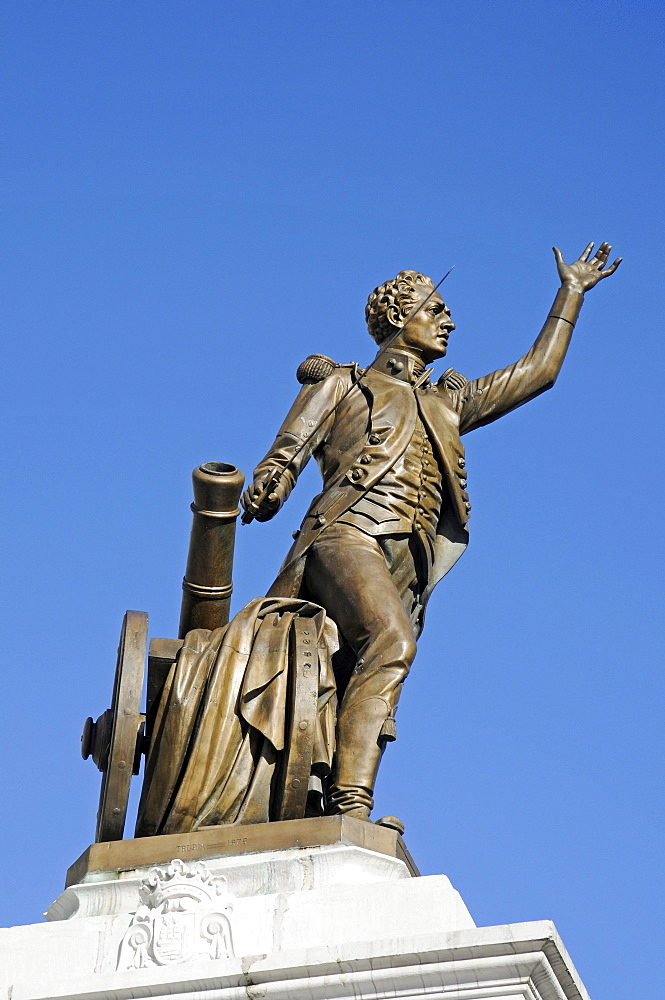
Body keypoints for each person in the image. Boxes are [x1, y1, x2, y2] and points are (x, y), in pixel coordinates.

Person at [241, 242, 621, 820]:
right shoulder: (343, 383)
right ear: (398, 318)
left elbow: (537, 372)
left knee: (358, 674)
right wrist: (271, 480)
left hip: (408, 565)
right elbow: (290, 448)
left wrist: (570, 292)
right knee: (392, 641)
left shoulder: (449, 402)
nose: (449, 320)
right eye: (435, 308)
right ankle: (352, 805)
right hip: (347, 533)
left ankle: (318, 807)